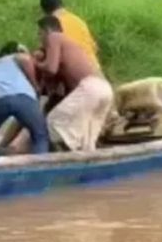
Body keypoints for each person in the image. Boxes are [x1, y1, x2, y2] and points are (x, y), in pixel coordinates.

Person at [35, 16, 113, 152]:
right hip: (105, 89)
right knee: (87, 145)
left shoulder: (54, 37)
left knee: (54, 122)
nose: (39, 38)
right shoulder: (70, 45)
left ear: (47, 30)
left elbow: (51, 68)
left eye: (39, 33)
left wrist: (35, 62)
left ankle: (61, 164)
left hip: (91, 88)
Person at [0, 49, 49, 154]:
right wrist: (34, 84)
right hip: (24, 97)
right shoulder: (8, 59)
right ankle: (41, 163)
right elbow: (26, 59)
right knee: (39, 135)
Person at [40, 0, 100, 67]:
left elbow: (50, 58)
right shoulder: (79, 21)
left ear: (44, 10)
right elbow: (94, 48)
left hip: (76, 71)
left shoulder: (51, 25)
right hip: (95, 68)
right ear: (61, 3)